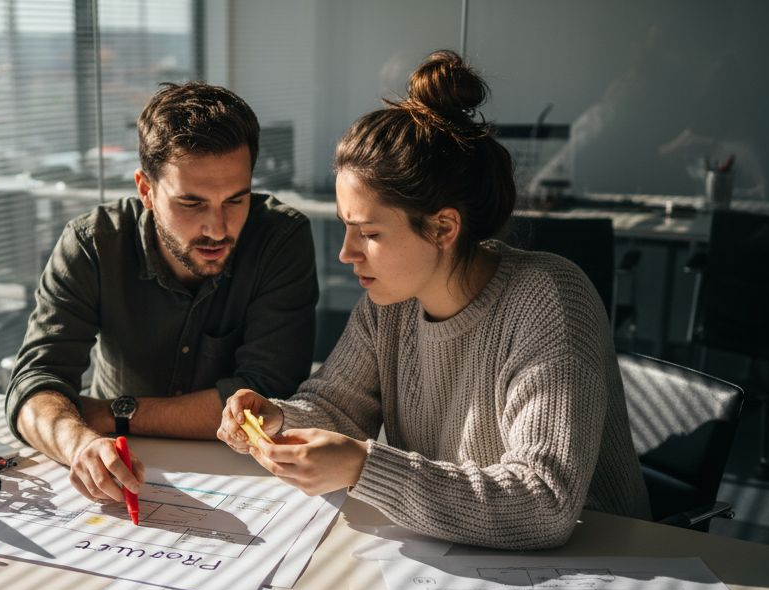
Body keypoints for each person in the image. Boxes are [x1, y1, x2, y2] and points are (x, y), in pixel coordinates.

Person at [218, 51, 649, 550]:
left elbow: (544, 504)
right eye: (345, 228)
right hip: (454, 558)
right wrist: (277, 417)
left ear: (443, 227)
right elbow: (337, 405)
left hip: (596, 567)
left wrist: (363, 465)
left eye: (369, 233)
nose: (346, 253)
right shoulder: (390, 304)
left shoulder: (550, 301)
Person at [7, 81, 318, 504]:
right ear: (146, 190)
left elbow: (267, 392)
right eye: (191, 204)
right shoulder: (93, 243)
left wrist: (111, 412)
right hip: (119, 467)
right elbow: (34, 384)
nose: (218, 228)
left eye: (235, 200)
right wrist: (79, 443)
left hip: (247, 483)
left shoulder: (280, 239)